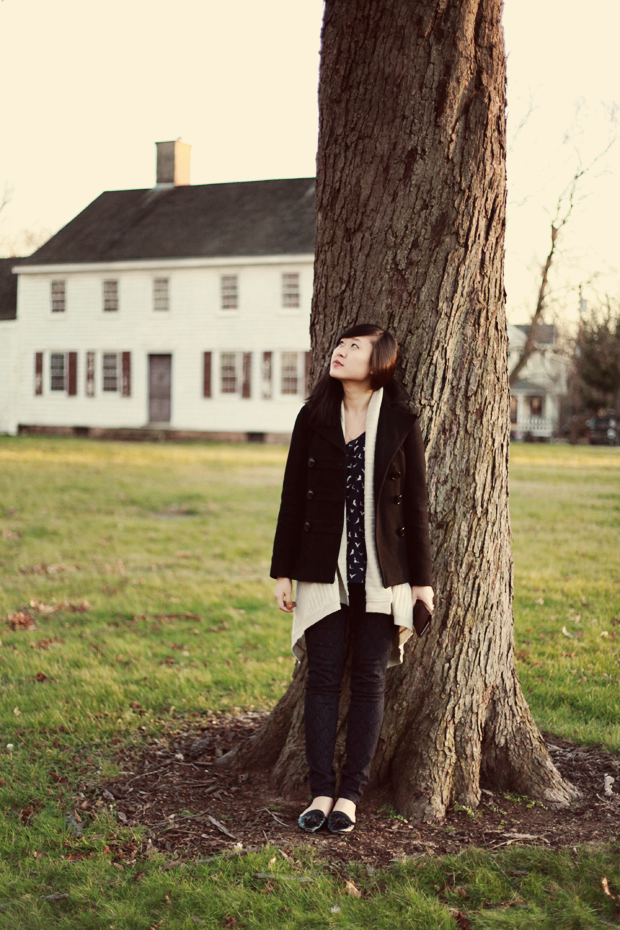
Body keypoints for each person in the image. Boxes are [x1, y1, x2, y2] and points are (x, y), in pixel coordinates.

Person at [270, 322, 434, 834]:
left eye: (353, 346)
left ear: (378, 361)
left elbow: (417, 505)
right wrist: (282, 571)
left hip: (384, 572)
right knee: (321, 678)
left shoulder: (401, 421)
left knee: (368, 679)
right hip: (323, 569)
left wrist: (422, 581)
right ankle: (321, 791)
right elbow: (292, 496)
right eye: (340, 344)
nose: (339, 352)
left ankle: (351, 797)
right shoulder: (314, 416)